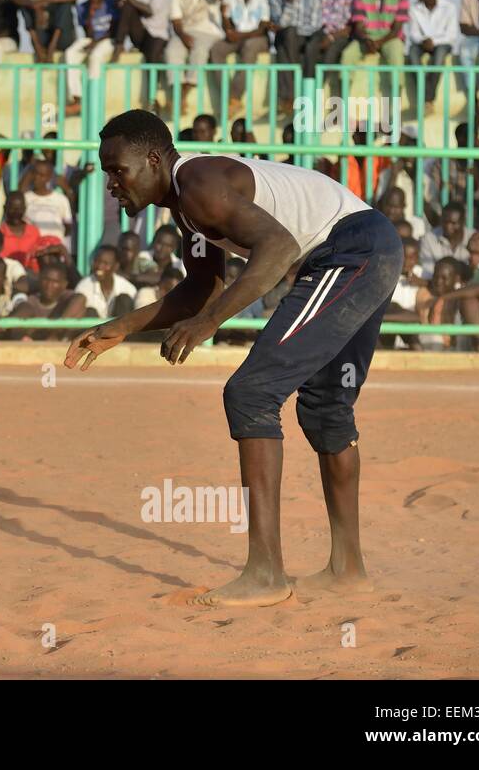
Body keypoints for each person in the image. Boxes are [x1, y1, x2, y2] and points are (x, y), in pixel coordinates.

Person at [67, 109, 401, 607]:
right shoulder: (186, 204)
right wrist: (121, 326)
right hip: (367, 247)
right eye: (106, 172)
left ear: (154, 159)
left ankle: (266, 574)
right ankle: (347, 570)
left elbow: (278, 248)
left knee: (250, 393)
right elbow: (202, 287)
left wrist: (209, 323)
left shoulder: (198, 183)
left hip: (349, 252)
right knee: (325, 406)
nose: (111, 183)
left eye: (119, 170)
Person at [406, 0, 459, 110]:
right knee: (412, 54)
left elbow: (452, 35)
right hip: (421, 43)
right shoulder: (414, 8)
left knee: (439, 57)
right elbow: (413, 33)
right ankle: (428, 99)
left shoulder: (449, 7)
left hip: (442, 43)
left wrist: (433, 41)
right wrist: (423, 41)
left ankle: (427, 98)